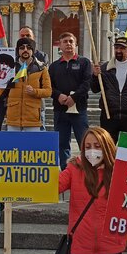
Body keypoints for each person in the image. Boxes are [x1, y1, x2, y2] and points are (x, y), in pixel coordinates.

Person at [58, 126, 125, 254]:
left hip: (111, 245)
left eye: (97, 146)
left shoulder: (120, 170)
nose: (92, 151)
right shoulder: (75, 168)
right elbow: (53, 186)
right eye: (87, 147)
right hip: (81, 246)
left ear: (107, 147)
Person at [91, 36, 127, 143]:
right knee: (108, 147)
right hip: (109, 115)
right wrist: (94, 76)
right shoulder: (105, 68)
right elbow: (95, 89)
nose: (118, 51)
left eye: (122, 48)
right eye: (116, 47)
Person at [49, 32, 92, 169]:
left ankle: (88, 170)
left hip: (79, 110)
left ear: (76, 44)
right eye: (65, 41)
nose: (68, 44)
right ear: (60, 46)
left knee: (84, 142)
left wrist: (74, 97)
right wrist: (58, 95)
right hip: (60, 110)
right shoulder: (54, 66)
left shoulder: (84, 62)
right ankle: (65, 171)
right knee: (62, 144)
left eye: (71, 41)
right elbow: (49, 86)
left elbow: (87, 83)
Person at [0, 38, 51, 131]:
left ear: (33, 50)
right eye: (22, 48)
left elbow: (48, 91)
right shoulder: (10, 67)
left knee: (33, 141)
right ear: (18, 50)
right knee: (13, 141)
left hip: (33, 118)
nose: (25, 50)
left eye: (28, 48)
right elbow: (1, 88)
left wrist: (34, 91)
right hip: (13, 118)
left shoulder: (41, 68)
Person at [19, 26, 49, 130]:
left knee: (39, 134)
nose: (25, 37)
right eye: (22, 36)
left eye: (28, 35)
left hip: (36, 103)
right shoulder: (13, 57)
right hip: (17, 105)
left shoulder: (42, 56)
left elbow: (44, 82)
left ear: (33, 37)